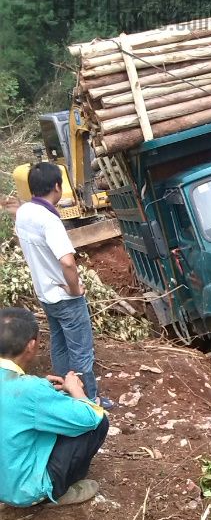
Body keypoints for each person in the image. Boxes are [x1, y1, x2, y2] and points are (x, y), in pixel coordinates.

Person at [14, 161, 112, 408]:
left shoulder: (24, 213)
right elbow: (68, 262)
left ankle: (62, 392)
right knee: (81, 352)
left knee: (59, 343)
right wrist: (75, 289)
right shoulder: (50, 221)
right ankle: (88, 401)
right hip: (65, 297)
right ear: (57, 186)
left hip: (45, 294)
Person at [0, 307, 109, 507]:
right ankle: (56, 490)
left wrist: (39, 385)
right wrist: (76, 389)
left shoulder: (25, 385)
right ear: (31, 345)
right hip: (23, 492)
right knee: (99, 421)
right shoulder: (31, 389)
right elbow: (91, 416)